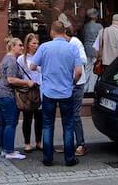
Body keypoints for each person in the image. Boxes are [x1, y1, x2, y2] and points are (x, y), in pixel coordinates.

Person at [28, 21, 83, 167]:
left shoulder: (45, 47)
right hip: (66, 91)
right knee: (68, 125)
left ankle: (47, 158)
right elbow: (78, 71)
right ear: (64, 31)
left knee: (47, 125)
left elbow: (32, 66)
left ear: (52, 32)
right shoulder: (72, 48)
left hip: (49, 92)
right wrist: (73, 82)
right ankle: (70, 159)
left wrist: (45, 68)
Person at [0, 37, 28, 161]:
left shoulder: (6, 58)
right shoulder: (12, 60)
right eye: (19, 45)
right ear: (13, 46)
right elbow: (10, 79)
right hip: (6, 94)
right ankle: (9, 151)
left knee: (3, 122)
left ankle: (4, 148)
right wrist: (27, 82)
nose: (22, 47)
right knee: (11, 122)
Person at [64, 19, 89, 158]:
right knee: (68, 114)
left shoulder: (75, 43)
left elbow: (83, 60)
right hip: (67, 83)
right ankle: (69, 143)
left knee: (75, 115)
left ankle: (81, 144)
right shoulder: (66, 43)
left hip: (77, 83)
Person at [17, 33, 43, 153]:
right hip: (28, 91)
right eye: (33, 43)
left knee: (40, 118)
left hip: (40, 89)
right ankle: (27, 143)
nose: (36, 45)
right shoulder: (22, 59)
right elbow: (19, 75)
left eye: (37, 43)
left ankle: (39, 141)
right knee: (27, 118)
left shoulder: (41, 56)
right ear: (27, 44)